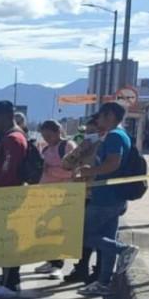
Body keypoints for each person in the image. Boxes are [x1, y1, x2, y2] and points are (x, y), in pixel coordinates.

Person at [78, 102, 140, 296]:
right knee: (106, 240)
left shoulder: (114, 136)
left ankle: (124, 249)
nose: (98, 120)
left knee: (83, 235)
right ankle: (104, 282)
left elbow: (113, 164)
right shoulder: (122, 135)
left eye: (101, 116)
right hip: (115, 196)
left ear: (111, 116)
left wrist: (91, 171)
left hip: (106, 197)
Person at [0, 101, 29, 298]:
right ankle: (8, 280)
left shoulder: (12, 140)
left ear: (5, 117)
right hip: (10, 195)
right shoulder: (16, 137)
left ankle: (9, 283)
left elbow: (7, 172)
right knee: (7, 240)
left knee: (8, 240)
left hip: (6, 197)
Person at [32, 120, 76, 278]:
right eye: (44, 136)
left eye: (49, 135)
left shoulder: (68, 147)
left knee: (58, 230)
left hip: (62, 196)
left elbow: (72, 172)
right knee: (46, 229)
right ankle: (50, 260)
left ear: (58, 132)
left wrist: (50, 170)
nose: (47, 139)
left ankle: (58, 264)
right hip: (46, 196)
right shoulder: (45, 149)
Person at [63, 116, 103, 283]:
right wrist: (80, 150)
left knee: (95, 234)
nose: (89, 135)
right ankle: (82, 267)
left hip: (97, 195)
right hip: (80, 194)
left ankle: (98, 270)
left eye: (92, 132)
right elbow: (65, 164)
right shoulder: (84, 147)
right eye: (87, 132)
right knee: (82, 235)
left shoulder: (103, 147)